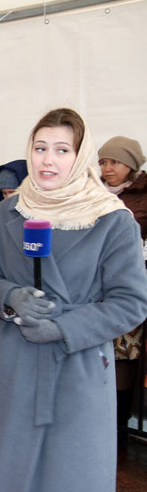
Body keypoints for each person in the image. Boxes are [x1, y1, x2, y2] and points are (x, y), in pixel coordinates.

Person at [0, 108, 147, 492]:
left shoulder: (111, 219)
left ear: (80, 156)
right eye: (40, 148)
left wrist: (65, 328)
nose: (48, 160)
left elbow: (130, 303)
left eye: (62, 150)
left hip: (79, 369)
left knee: (71, 483)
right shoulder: (7, 213)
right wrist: (9, 298)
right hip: (14, 364)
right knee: (7, 478)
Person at [97, 135, 147, 444]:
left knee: (125, 357)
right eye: (103, 162)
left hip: (128, 285)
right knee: (96, 354)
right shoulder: (91, 193)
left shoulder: (143, 195)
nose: (108, 168)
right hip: (94, 287)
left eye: (115, 161)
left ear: (131, 164)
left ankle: (118, 429)